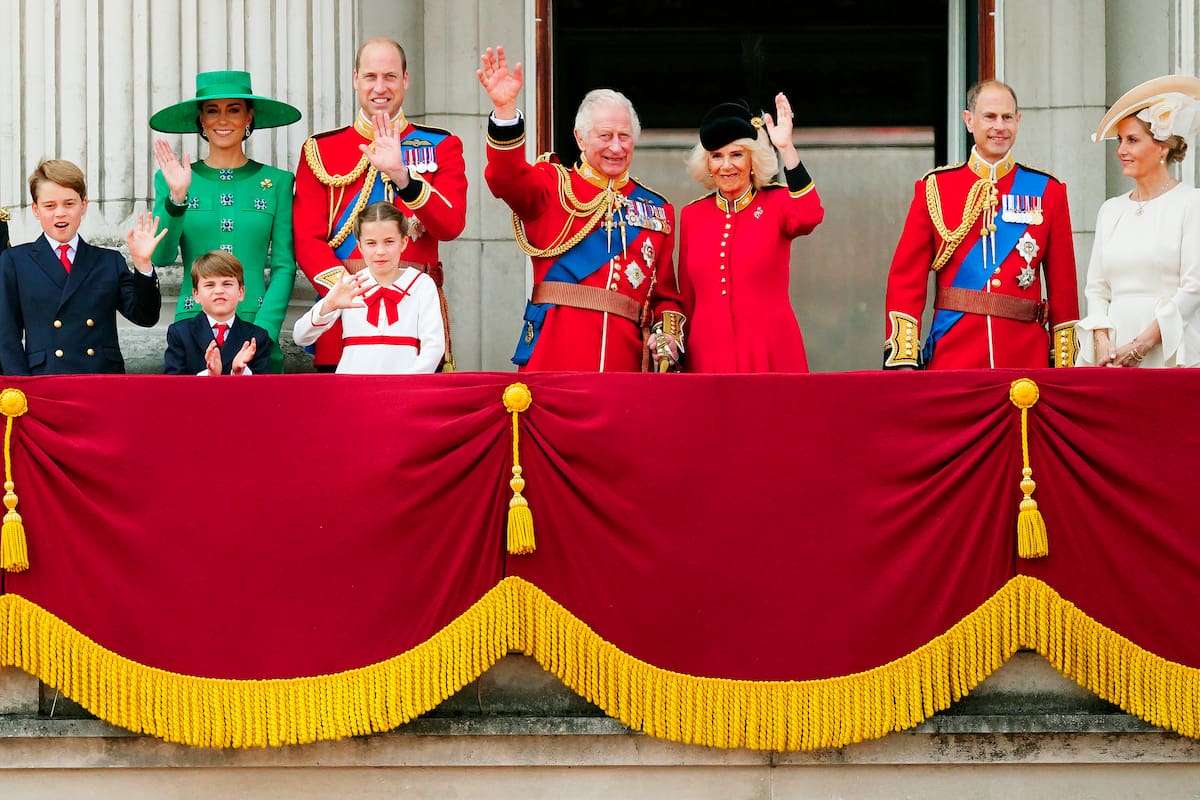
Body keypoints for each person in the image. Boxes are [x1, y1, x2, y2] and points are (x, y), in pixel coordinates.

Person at [478, 45, 683, 372]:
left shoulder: (657, 209)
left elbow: (667, 298)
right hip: (554, 359)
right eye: (605, 135)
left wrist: (667, 337)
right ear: (580, 138)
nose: (616, 147)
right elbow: (505, 178)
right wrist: (505, 112)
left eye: (624, 137)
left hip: (625, 366)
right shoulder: (552, 186)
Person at [293, 36, 466, 371]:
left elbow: (451, 225)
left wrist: (405, 179)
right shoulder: (322, 150)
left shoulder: (442, 145)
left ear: (405, 79)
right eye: (370, 77)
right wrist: (349, 294)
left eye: (389, 76)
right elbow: (306, 240)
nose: (380, 87)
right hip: (347, 316)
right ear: (356, 79)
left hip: (416, 313)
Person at [883, 80, 1080, 370]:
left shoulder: (1047, 191)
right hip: (954, 355)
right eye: (989, 117)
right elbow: (906, 279)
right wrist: (904, 357)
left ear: (1018, 120)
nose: (999, 126)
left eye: (1007, 117)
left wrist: (1065, 365)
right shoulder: (935, 188)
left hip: (1025, 359)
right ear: (969, 120)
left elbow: (1064, 287)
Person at [148, 70, 301, 373]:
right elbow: (160, 256)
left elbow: (285, 266)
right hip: (192, 330)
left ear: (249, 117)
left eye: (234, 109)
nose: (222, 120)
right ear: (200, 119)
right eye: (212, 110)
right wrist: (177, 197)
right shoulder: (174, 179)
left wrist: (263, 333)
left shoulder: (278, 182)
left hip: (256, 327)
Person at [676, 95, 824, 372]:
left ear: (753, 159)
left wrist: (786, 148)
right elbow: (687, 297)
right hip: (707, 356)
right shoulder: (692, 216)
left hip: (771, 351)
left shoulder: (777, 202)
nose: (726, 165)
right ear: (707, 164)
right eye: (716, 156)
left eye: (736, 154)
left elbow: (810, 215)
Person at [1076, 75, 1200, 368]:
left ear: (1162, 147)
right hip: (1112, 357)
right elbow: (1096, 289)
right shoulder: (1111, 210)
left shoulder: (1191, 203)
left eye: (1132, 140)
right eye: (1120, 140)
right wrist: (1102, 341)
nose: (1121, 150)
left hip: (1169, 348)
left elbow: (1194, 287)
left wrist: (1142, 345)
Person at [0, 160, 162, 375]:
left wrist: (142, 266)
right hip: (45, 381)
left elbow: (145, 317)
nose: (60, 213)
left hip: (101, 380)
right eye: (50, 206)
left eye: (69, 204)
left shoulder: (108, 261)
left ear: (83, 205)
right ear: (36, 210)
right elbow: (7, 335)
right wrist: (20, 388)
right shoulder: (15, 260)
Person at [292, 201, 444, 374]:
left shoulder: (422, 284)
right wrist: (328, 305)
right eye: (371, 243)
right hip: (352, 389)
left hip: (404, 389)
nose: (380, 251)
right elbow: (300, 337)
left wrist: (408, 384)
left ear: (403, 242)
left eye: (389, 242)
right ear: (360, 246)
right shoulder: (350, 285)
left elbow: (434, 346)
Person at [164, 251, 272, 375]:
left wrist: (239, 373)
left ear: (241, 292)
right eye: (210, 285)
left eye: (227, 284)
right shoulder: (180, 333)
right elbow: (173, 386)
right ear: (196, 294)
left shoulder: (257, 337)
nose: (219, 291)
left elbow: (262, 388)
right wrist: (209, 375)